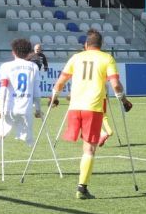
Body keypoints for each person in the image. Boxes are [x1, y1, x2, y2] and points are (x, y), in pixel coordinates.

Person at [50, 29, 131, 200]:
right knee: (89, 149)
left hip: (74, 107)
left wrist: (54, 98)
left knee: (84, 147)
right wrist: (123, 100)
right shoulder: (106, 58)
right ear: (101, 46)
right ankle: (82, 188)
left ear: (86, 45)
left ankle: (82, 186)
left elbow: (60, 82)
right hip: (92, 108)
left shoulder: (76, 58)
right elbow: (115, 84)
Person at [0, 39, 41, 175]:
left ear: (13, 52)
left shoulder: (6, 66)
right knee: (29, 138)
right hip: (26, 109)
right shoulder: (34, 67)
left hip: (10, 108)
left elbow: (3, 90)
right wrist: (38, 109)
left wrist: (0, 109)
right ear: (28, 53)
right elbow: (36, 91)